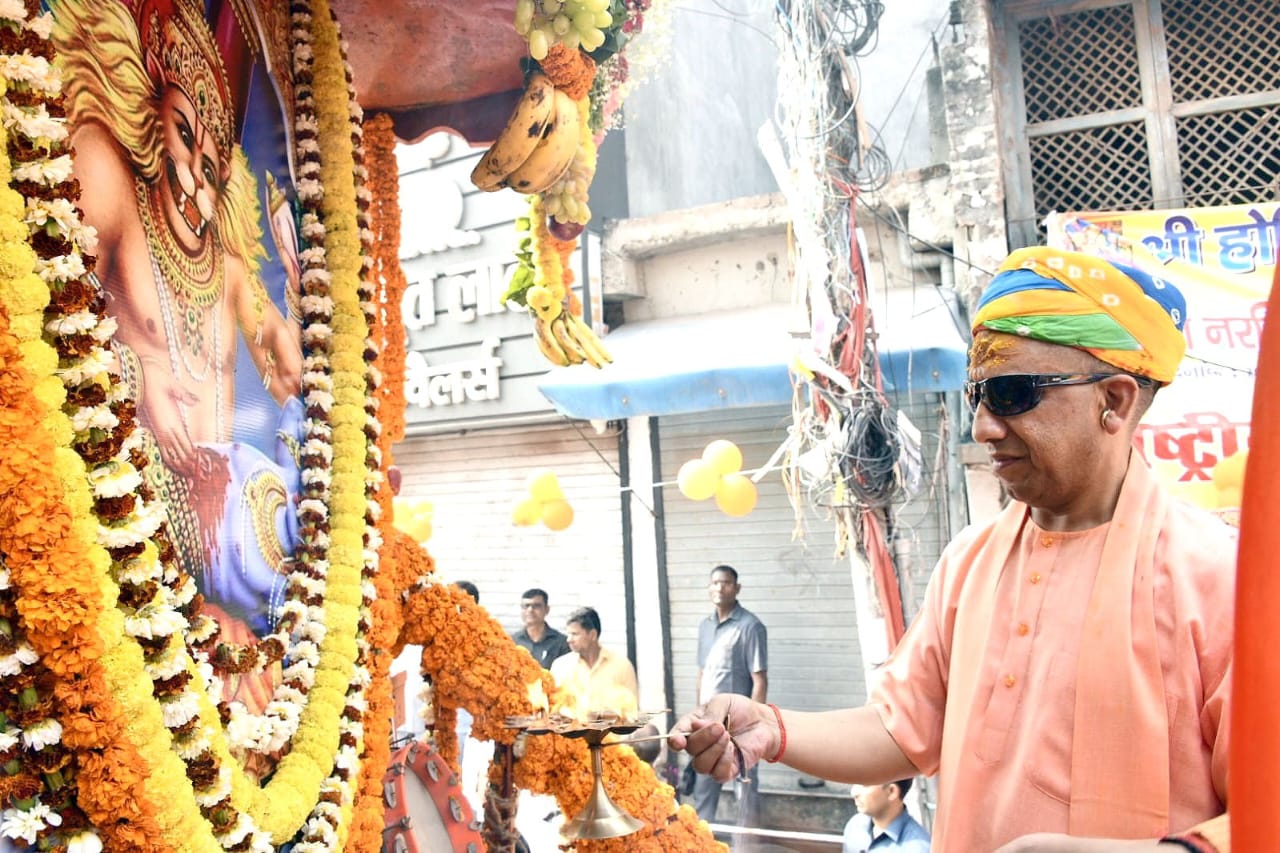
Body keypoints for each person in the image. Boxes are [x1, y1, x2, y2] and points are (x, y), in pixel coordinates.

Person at [670, 248, 1233, 853]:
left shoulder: (1219, 579)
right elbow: (901, 728)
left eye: (1012, 394)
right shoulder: (970, 562)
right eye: (977, 397)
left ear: (1115, 402)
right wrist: (771, 727)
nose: (984, 427)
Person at [55, 0, 306, 717]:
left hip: (231, 541)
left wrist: (294, 329)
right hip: (129, 526)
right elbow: (47, 309)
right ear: (150, 125)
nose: (196, 168)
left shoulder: (229, 269)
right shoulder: (109, 184)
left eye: (212, 154)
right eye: (182, 134)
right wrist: (137, 372)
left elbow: (289, 372)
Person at [692, 565, 768, 827]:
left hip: (738, 726)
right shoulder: (705, 626)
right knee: (703, 789)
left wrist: (754, 725)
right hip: (708, 725)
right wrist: (698, 715)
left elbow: (759, 680)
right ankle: (701, 841)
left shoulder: (750, 626)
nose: (719, 588)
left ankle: (749, 842)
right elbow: (702, 674)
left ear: (737, 588)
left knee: (744, 791)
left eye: (725, 583)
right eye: (714, 583)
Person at [550, 606, 639, 714]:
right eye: (568, 634)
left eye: (575, 634)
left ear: (592, 635)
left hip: (613, 725)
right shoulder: (560, 666)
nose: (569, 640)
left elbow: (632, 712)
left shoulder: (621, 665)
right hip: (572, 725)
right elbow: (553, 710)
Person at [842, 779, 931, 852]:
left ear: (891, 791)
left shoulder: (918, 847)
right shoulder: (855, 826)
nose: (854, 793)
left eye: (865, 785)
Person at [512, 588, 571, 669]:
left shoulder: (562, 643)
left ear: (547, 609)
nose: (530, 610)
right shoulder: (512, 642)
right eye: (526, 606)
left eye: (536, 606)